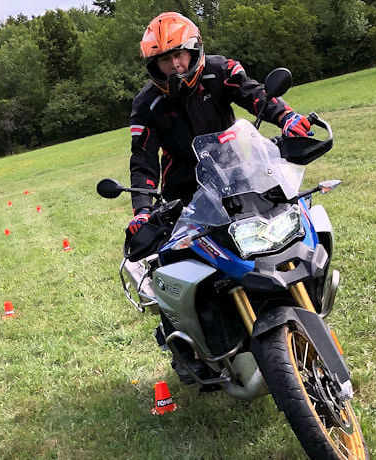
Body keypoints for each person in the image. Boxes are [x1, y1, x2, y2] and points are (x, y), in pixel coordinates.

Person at [126, 12, 311, 384]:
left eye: (179, 54)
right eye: (165, 60)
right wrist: (143, 210)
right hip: (185, 192)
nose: (175, 65)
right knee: (169, 261)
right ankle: (184, 348)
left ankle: (299, 294)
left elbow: (256, 95)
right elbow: (142, 158)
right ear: (154, 65)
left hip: (240, 172)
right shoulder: (146, 104)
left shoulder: (219, 70)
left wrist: (287, 118)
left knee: (290, 219)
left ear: (194, 50)